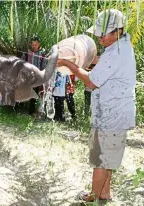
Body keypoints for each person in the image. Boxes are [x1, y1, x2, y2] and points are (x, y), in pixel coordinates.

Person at [57, 9, 136, 202]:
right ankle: (104, 194)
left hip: (112, 115)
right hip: (114, 113)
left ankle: (92, 197)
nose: (99, 37)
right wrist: (84, 58)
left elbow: (91, 82)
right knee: (107, 158)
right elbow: (101, 64)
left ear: (118, 31)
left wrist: (70, 65)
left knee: (101, 159)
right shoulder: (121, 46)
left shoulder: (116, 53)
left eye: (103, 33)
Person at [24, 36, 47, 119]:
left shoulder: (42, 54)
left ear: (39, 44)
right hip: (29, 77)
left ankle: (33, 111)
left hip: (37, 77)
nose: (34, 46)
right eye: (33, 44)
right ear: (31, 44)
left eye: (36, 44)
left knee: (36, 94)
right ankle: (28, 110)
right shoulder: (27, 53)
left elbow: (43, 66)